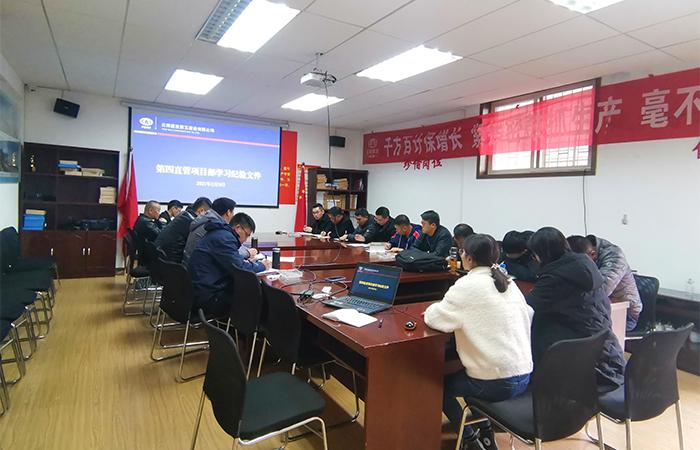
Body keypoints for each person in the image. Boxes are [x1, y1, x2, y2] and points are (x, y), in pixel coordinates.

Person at [425, 234, 533, 450]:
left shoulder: (467, 285)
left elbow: (436, 319)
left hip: (495, 381)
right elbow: (528, 313)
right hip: (524, 374)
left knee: (440, 387)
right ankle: (485, 435)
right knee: (468, 379)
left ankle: (470, 439)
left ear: (468, 258)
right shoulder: (508, 282)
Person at [526, 227, 625, 391]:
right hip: (608, 356)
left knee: (534, 324)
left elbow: (526, 307)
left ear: (541, 254)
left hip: (586, 368)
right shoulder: (585, 264)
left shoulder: (554, 277)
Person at [188, 212, 271, 317]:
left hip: (202, 288)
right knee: (255, 297)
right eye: (246, 235)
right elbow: (240, 268)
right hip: (208, 296)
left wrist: (241, 260)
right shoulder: (225, 238)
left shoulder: (220, 233)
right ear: (238, 228)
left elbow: (230, 259)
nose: (245, 239)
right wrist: (262, 266)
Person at [567, 235, 643, 332]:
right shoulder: (583, 251)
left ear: (593, 254)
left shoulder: (615, 257)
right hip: (597, 309)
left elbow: (600, 291)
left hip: (625, 314)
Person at [154, 197, 211, 262]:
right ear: (201, 210)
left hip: (159, 254)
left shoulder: (182, 215)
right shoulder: (193, 222)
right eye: (207, 213)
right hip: (171, 261)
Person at [183, 197, 236, 262]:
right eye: (233, 212)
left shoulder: (206, 219)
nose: (233, 215)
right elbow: (227, 253)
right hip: (198, 264)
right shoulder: (214, 225)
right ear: (228, 212)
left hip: (188, 262)